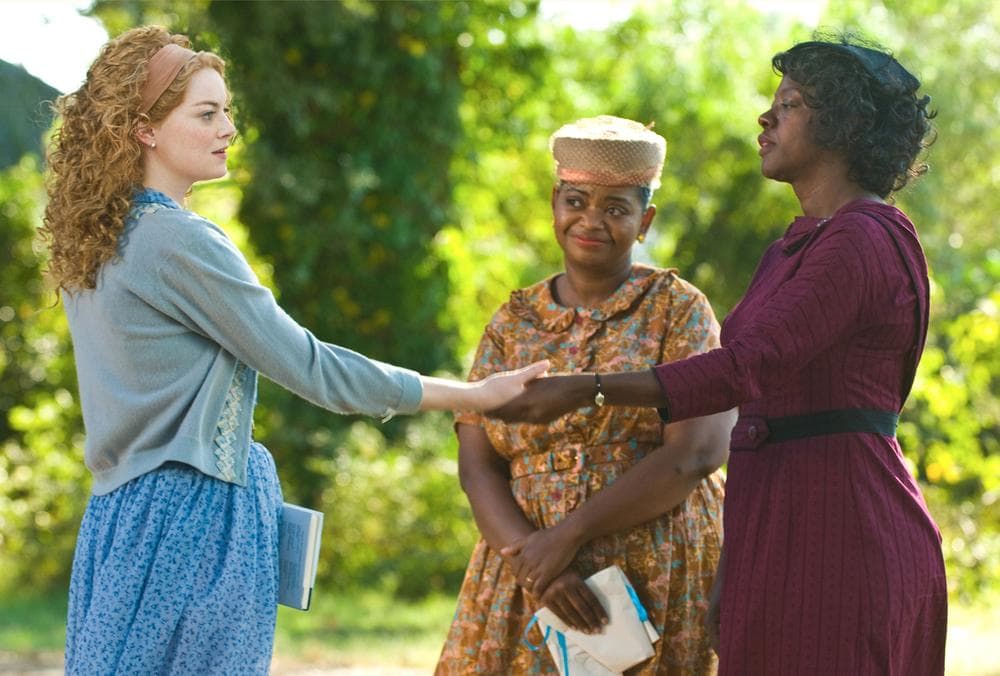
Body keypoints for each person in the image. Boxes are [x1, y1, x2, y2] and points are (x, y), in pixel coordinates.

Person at [41, 26, 546, 674]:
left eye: (227, 110)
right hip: (194, 518)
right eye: (206, 113)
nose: (228, 128)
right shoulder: (178, 241)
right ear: (145, 129)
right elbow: (312, 368)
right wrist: (472, 394)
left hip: (121, 516)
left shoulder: (99, 240)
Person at [491, 36, 947, 675]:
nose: (765, 118)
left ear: (842, 127)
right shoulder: (793, 245)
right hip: (774, 516)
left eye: (788, 105)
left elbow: (746, 368)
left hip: (841, 524)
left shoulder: (864, 238)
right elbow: (757, 408)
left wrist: (586, 386)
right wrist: (733, 567)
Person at [435, 115, 737, 674]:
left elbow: (697, 452)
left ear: (644, 220)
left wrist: (567, 537)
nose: (591, 220)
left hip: (654, 570)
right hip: (529, 576)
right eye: (576, 200)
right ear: (554, 202)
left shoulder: (678, 309)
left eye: (616, 208)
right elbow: (478, 463)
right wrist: (534, 562)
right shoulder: (513, 321)